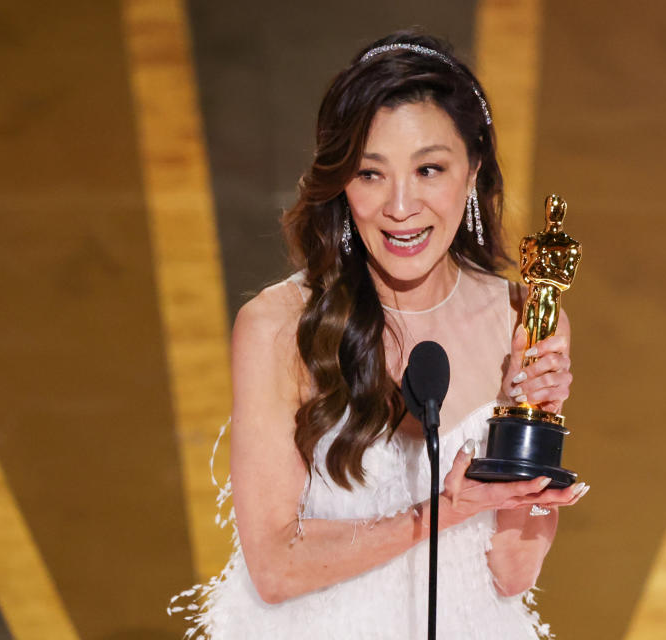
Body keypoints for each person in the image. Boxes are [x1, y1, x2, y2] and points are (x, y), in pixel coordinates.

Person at [171, 30, 588, 639]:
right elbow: (276, 566)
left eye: (428, 169)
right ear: (341, 183)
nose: (400, 206)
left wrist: (530, 438)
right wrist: (443, 512)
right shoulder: (279, 328)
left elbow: (513, 572)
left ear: (472, 171)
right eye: (370, 174)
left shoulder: (522, 320)